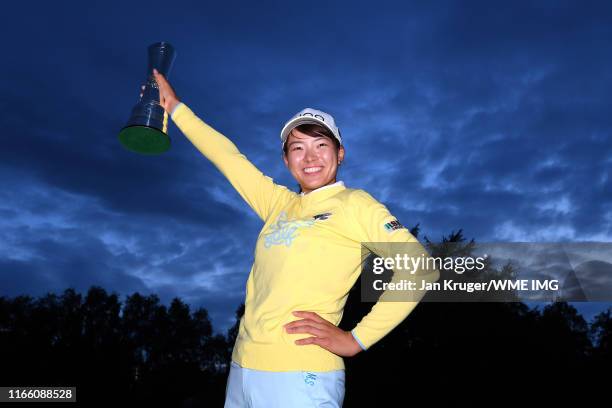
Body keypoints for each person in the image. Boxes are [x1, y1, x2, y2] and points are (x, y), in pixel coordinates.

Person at [150, 68, 439, 407]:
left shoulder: (354, 204)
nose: (311, 157)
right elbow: (229, 159)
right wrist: (175, 108)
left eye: (321, 145)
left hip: (302, 377)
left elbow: (420, 268)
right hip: (242, 370)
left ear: (340, 153)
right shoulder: (279, 204)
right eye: (298, 147)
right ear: (287, 160)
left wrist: (356, 339)